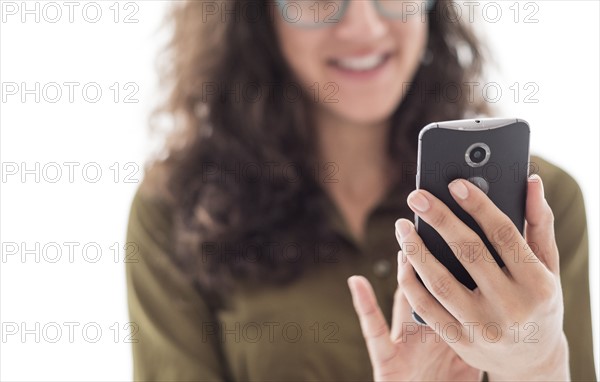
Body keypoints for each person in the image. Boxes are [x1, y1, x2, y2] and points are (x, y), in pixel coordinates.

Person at [125, 0, 596, 380]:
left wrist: (539, 367)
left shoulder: (538, 205)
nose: (365, 26)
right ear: (257, 14)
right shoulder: (177, 210)